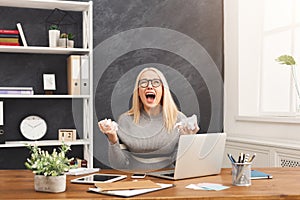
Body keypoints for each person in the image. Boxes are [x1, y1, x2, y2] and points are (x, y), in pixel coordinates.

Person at [98, 67, 199, 171]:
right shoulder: (125, 120)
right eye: (143, 83)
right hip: (134, 180)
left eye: (156, 82)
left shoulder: (179, 119)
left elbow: (182, 164)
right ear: (138, 91)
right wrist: (112, 138)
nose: (149, 86)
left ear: (163, 89)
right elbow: (119, 165)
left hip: (168, 179)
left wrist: (188, 141)